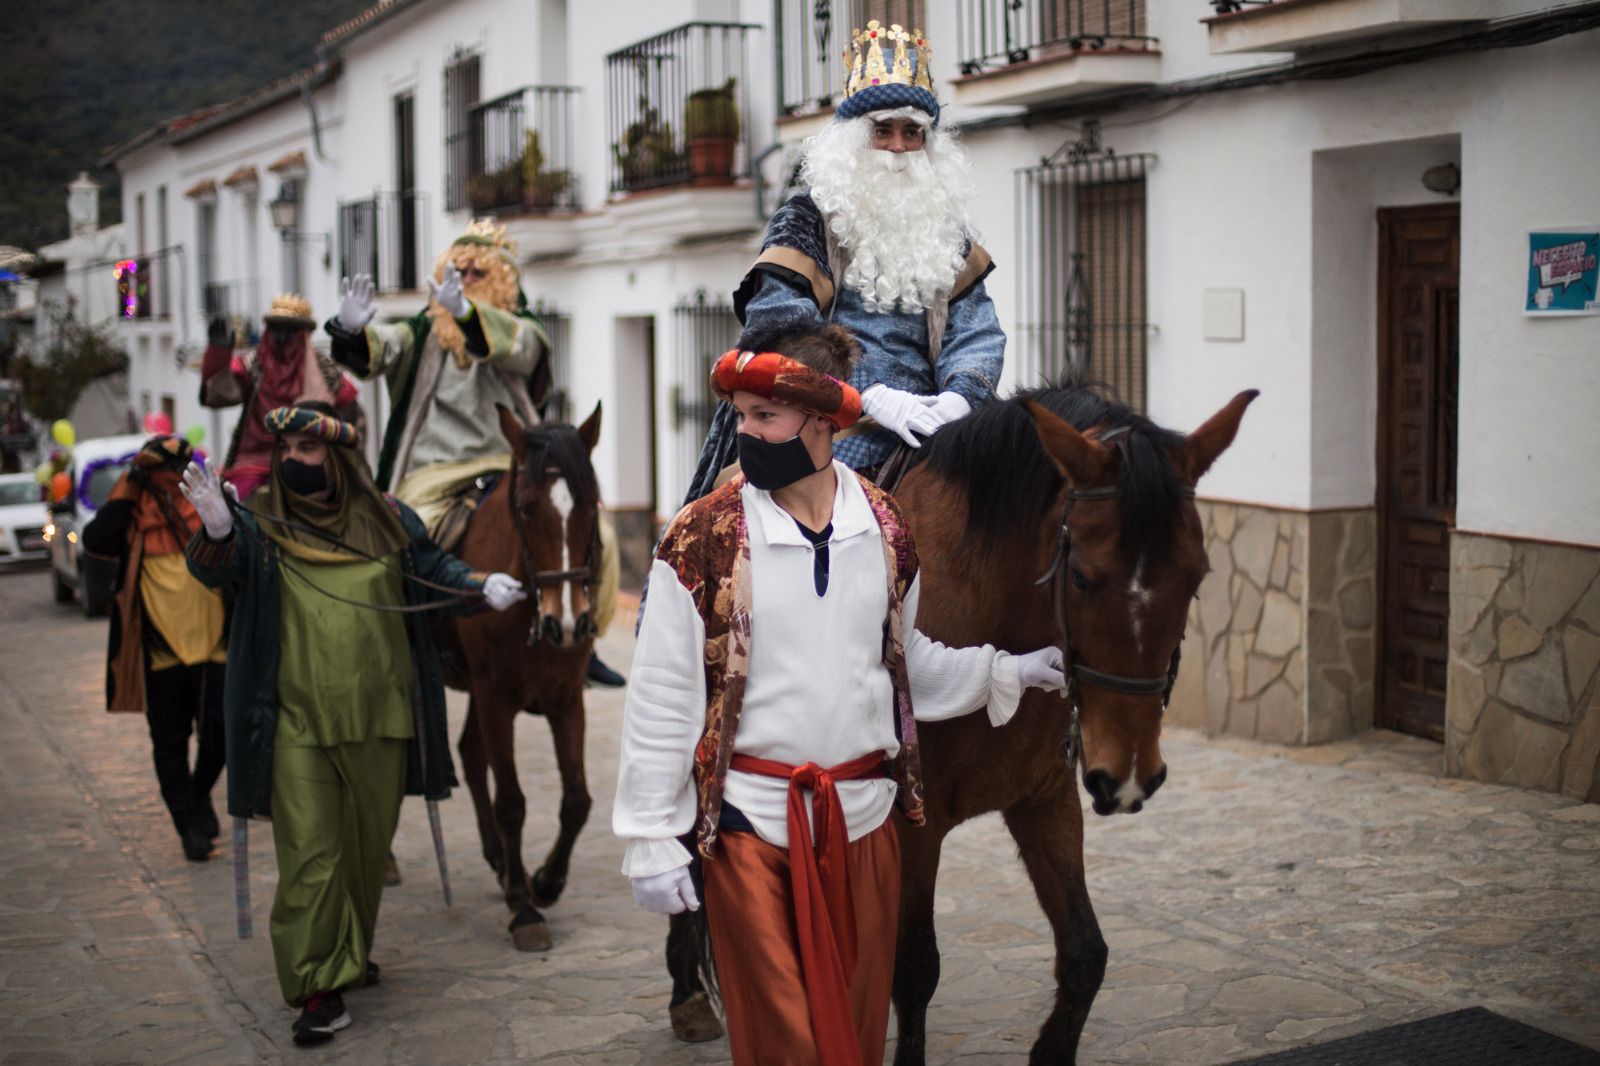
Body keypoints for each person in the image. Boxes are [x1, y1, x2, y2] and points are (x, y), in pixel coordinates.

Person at [613, 324, 1066, 1065]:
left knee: (854, 1043)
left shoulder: (886, 528)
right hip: (751, 832)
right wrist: (649, 836)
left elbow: (903, 661)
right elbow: (665, 691)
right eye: (740, 413)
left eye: (765, 416)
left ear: (822, 423)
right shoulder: (703, 536)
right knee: (784, 1047)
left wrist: (1001, 674)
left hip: (865, 831)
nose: (744, 430)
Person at [182, 402, 528, 1046]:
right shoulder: (257, 525)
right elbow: (213, 569)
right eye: (284, 450)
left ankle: (347, 950)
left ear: (337, 461)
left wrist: (484, 584)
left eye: (307, 452)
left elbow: (434, 568)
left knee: (364, 859)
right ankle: (317, 987)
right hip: (295, 724)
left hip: (382, 718)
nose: (292, 462)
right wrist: (220, 530)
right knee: (311, 859)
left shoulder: (389, 518)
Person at [687, 19, 1004, 497]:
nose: (898, 148)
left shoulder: (945, 231)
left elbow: (977, 331)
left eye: (912, 133)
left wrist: (959, 400)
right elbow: (781, 323)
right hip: (835, 418)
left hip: (941, 425)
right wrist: (867, 394)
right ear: (856, 138)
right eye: (884, 131)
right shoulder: (808, 220)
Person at [328, 219, 626, 687]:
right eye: (456, 272)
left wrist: (467, 314)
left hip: (507, 464)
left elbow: (520, 350)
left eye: (476, 274)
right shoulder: (423, 331)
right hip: (433, 472)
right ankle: (397, 639)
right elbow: (385, 347)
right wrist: (350, 331)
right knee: (400, 541)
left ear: (503, 282)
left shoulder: (521, 331)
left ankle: (583, 644)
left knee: (599, 537)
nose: (462, 282)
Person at [82, 434, 226, 862]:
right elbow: (95, 539)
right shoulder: (129, 515)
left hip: (216, 643)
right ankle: (187, 828)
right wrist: (129, 486)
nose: (173, 479)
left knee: (220, 739)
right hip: (160, 651)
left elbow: (234, 546)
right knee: (169, 742)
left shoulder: (206, 502)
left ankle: (198, 797)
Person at [199, 293, 366, 500]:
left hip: (309, 458)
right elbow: (220, 395)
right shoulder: (253, 364)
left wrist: (345, 461)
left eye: (290, 331)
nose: (282, 338)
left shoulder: (326, 373)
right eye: (276, 329)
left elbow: (352, 421)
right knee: (239, 507)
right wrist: (218, 355)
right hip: (255, 461)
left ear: (303, 335)